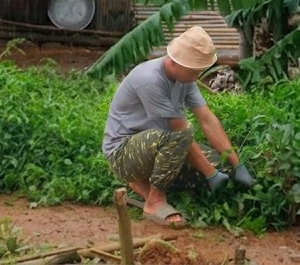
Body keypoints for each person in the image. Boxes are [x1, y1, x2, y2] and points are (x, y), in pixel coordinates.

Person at [101, 26, 255, 227]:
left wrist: (237, 163)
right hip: (123, 153)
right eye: (193, 71)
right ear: (175, 62)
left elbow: (206, 119)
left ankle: (146, 182)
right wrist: (210, 174)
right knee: (182, 135)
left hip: (158, 147)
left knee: (223, 164)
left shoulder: (185, 78)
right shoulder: (150, 79)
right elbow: (178, 130)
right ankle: (154, 200)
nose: (197, 76)